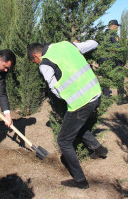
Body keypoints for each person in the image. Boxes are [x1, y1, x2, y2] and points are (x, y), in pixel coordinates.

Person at [27, 40, 108, 189]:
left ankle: (80, 180)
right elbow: (94, 43)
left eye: (35, 62)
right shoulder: (66, 45)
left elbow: (53, 88)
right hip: (95, 93)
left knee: (63, 140)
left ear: (36, 56)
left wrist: (66, 96)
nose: (37, 64)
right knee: (76, 126)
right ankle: (99, 150)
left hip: (80, 102)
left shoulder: (45, 64)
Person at [101, 19, 128, 105]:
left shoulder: (103, 34)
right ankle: (120, 100)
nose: (117, 29)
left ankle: (106, 98)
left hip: (103, 60)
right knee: (120, 78)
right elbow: (117, 49)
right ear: (114, 26)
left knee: (106, 79)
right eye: (117, 27)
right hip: (113, 61)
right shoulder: (113, 35)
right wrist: (122, 61)